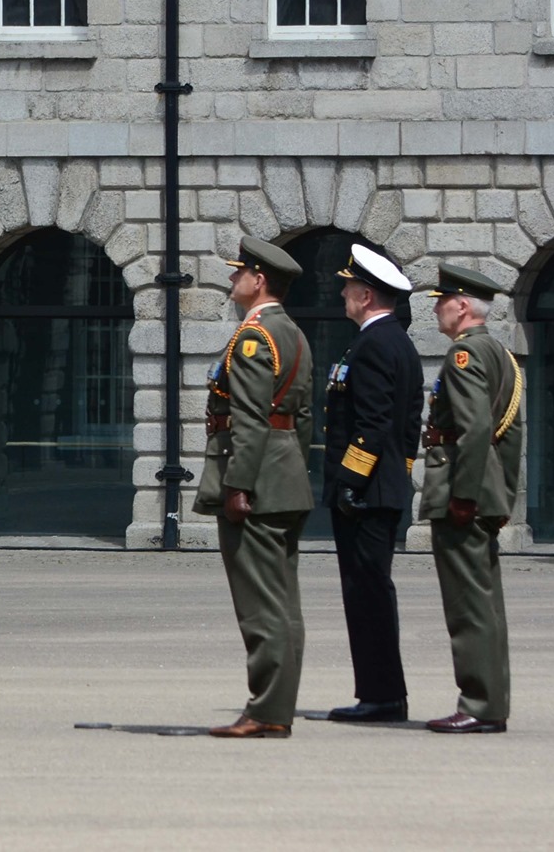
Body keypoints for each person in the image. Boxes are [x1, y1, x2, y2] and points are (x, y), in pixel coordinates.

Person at [197, 237, 316, 739]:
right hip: (285, 474)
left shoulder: (253, 337)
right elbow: (302, 419)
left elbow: (246, 419)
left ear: (259, 280)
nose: (232, 279)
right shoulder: (293, 334)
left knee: (261, 603)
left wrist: (237, 484)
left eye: (238, 272)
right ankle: (275, 706)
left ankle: (267, 710)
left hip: (256, 481)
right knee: (283, 602)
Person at [419, 263, 524, 734]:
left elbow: (476, 428)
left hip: (466, 493)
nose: (437, 310)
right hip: (486, 491)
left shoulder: (464, 355)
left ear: (462, 306)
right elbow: (512, 434)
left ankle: (479, 703)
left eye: (442, 301)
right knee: (486, 604)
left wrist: (463, 495)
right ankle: (490, 702)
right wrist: (501, 494)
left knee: (469, 606)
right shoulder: (499, 353)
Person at [322, 243, 423, 723]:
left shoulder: (376, 343)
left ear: (365, 295)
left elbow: (375, 423)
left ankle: (382, 695)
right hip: (381, 488)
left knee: (367, 593)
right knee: (367, 590)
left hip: (364, 494)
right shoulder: (394, 341)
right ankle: (380, 692)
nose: (342, 293)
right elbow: (406, 430)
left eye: (348, 287)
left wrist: (352, 480)